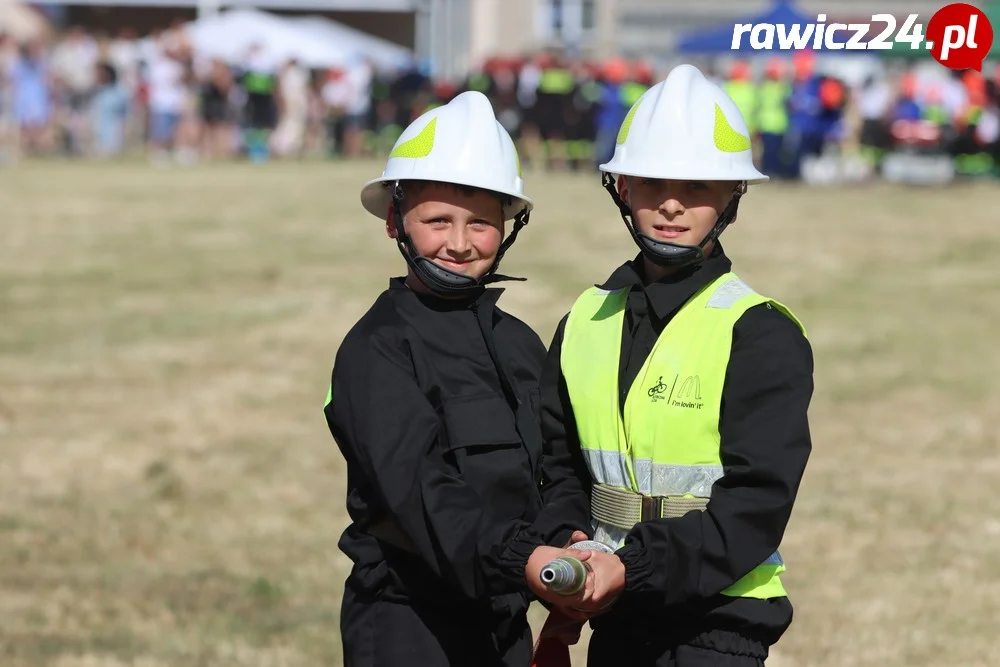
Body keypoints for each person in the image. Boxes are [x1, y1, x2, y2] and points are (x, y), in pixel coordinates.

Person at [521, 64, 814, 666]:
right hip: (614, 615)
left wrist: (630, 565)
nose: (673, 205)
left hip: (716, 624)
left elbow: (756, 504)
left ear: (734, 195)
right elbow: (561, 462)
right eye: (653, 184)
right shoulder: (584, 319)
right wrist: (569, 542)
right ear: (621, 188)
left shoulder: (759, 333)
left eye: (699, 187)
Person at [324, 90, 577, 667]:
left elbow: (558, 467)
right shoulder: (375, 350)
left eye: (481, 224)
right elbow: (421, 494)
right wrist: (527, 559)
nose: (460, 244)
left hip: (507, 618)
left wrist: (568, 540)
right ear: (396, 222)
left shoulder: (518, 343)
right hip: (407, 625)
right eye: (438, 220)